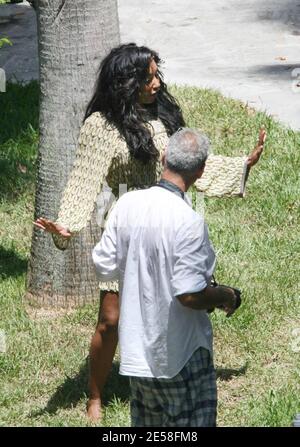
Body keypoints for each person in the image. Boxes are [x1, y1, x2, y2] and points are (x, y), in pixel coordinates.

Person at [33, 43, 266, 421]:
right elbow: (82, 180)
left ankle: (166, 365)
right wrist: (67, 224)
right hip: (129, 221)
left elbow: (188, 164)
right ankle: (95, 393)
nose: (156, 83)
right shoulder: (101, 126)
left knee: (173, 301)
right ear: (127, 82)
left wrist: (241, 163)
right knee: (110, 319)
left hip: (170, 217)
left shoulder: (164, 114)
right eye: (148, 77)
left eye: (157, 74)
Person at [92, 128, 240, 427]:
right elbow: (189, 294)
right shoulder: (188, 221)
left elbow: (104, 265)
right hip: (181, 355)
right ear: (201, 171)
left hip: (139, 357)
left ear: (163, 157)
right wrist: (226, 295)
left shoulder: (127, 204)